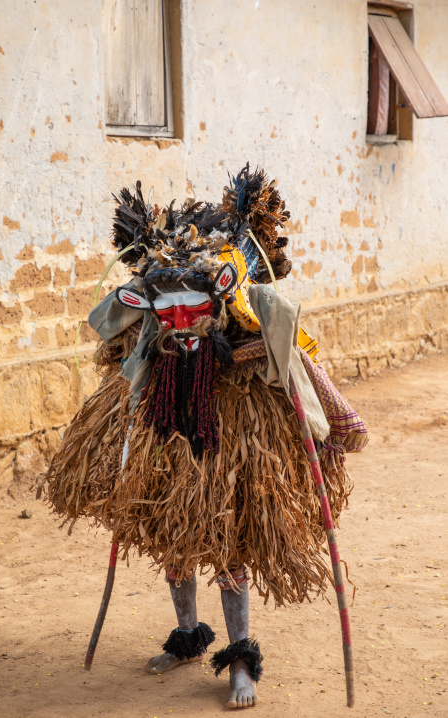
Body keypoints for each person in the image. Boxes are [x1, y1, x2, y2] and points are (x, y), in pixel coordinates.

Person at [41, 164, 367, 709]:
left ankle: (241, 659)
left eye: (193, 307)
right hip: (166, 442)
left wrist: (283, 378)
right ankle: (188, 637)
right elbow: (119, 345)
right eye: (166, 310)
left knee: (229, 542)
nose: (181, 320)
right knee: (175, 540)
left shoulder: (251, 334)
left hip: (230, 444)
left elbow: (291, 360)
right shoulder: (150, 352)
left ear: (220, 296)